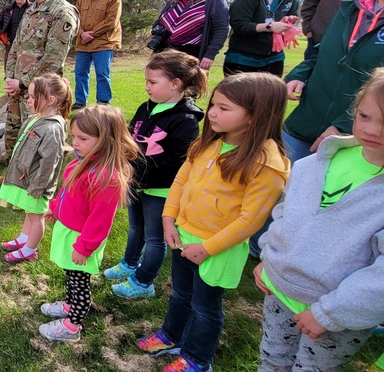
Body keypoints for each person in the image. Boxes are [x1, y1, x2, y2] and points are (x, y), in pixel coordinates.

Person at [137, 73, 289, 372]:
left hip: (217, 249)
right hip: (183, 236)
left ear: (256, 115)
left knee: (205, 308)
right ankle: (171, 335)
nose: (212, 113)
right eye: (214, 105)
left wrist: (207, 248)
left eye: (224, 108)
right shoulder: (209, 143)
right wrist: (169, 220)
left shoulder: (266, 164)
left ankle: (197, 358)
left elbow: (250, 220)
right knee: (180, 293)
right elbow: (181, 181)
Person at [254, 67, 384, 371]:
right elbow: (285, 213)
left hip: (338, 315)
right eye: (365, 117)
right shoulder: (316, 162)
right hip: (279, 291)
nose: (373, 130)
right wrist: (268, 258)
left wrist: (328, 314)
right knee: (271, 360)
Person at [105, 50, 207, 299]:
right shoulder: (146, 107)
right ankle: (129, 263)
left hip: (161, 189)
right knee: (135, 229)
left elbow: (178, 161)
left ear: (175, 84)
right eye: (147, 81)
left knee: (154, 238)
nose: (146, 87)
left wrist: (139, 169)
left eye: (152, 82)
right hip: (136, 183)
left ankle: (143, 282)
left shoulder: (185, 120)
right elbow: (130, 138)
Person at [283, 0, 384, 163]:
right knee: (278, 193)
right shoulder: (349, 9)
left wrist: (344, 126)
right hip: (303, 125)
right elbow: (323, 52)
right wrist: (299, 75)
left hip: (357, 141)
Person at [37, 105, 138, 342]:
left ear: (106, 140)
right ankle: (70, 305)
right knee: (70, 275)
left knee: (79, 282)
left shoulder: (105, 177)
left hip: (82, 239)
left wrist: (84, 247)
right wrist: (55, 209)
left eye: (83, 138)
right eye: (74, 136)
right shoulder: (80, 162)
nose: (76, 142)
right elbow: (68, 192)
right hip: (70, 232)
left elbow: (100, 219)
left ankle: (72, 326)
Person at [4, 0, 79, 152]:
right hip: (18, 87)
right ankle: (12, 176)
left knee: (37, 140)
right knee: (16, 136)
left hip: (41, 91)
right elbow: (15, 47)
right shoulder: (31, 9)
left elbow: (52, 60)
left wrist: (22, 83)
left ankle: (33, 180)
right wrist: (10, 78)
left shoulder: (62, 13)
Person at [0, 73, 71, 262]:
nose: (28, 100)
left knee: (36, 216)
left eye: (32, 97)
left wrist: (38, 187)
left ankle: (30, 249)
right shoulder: (38, 118)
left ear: (50, 100)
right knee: (29, 212)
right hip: (27, 179)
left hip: (36, 184)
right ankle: (24, 238)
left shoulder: (52, 128)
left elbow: (50, 162)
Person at [224, 0, 300, 77]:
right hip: (244, 58)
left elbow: (293, 14)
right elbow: (239, 26)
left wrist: (288, 21)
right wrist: (269, 27)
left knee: (272, 96)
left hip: (274, 58)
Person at [151, 0, 229, 70]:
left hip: (190, 56)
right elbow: (159, 23)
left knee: (186, 86)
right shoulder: (175, 1)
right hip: (164, 53)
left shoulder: (214, 0)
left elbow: (221, 29)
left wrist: (210, 54)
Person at [73, 0, 122, 109]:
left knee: (102, 73)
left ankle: (103, 102)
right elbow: (75, 19)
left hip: (103, 42)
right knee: (80, 72)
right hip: (83, 42)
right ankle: (80, 101)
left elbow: (111, 21)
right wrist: (82, 33)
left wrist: (91, 34)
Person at [0, 0, 31, 70]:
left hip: (27, 47)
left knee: (25, 72)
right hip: (10, 45)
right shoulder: (7, 9)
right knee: (9, 71)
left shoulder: (33, 9)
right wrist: (4, 39)